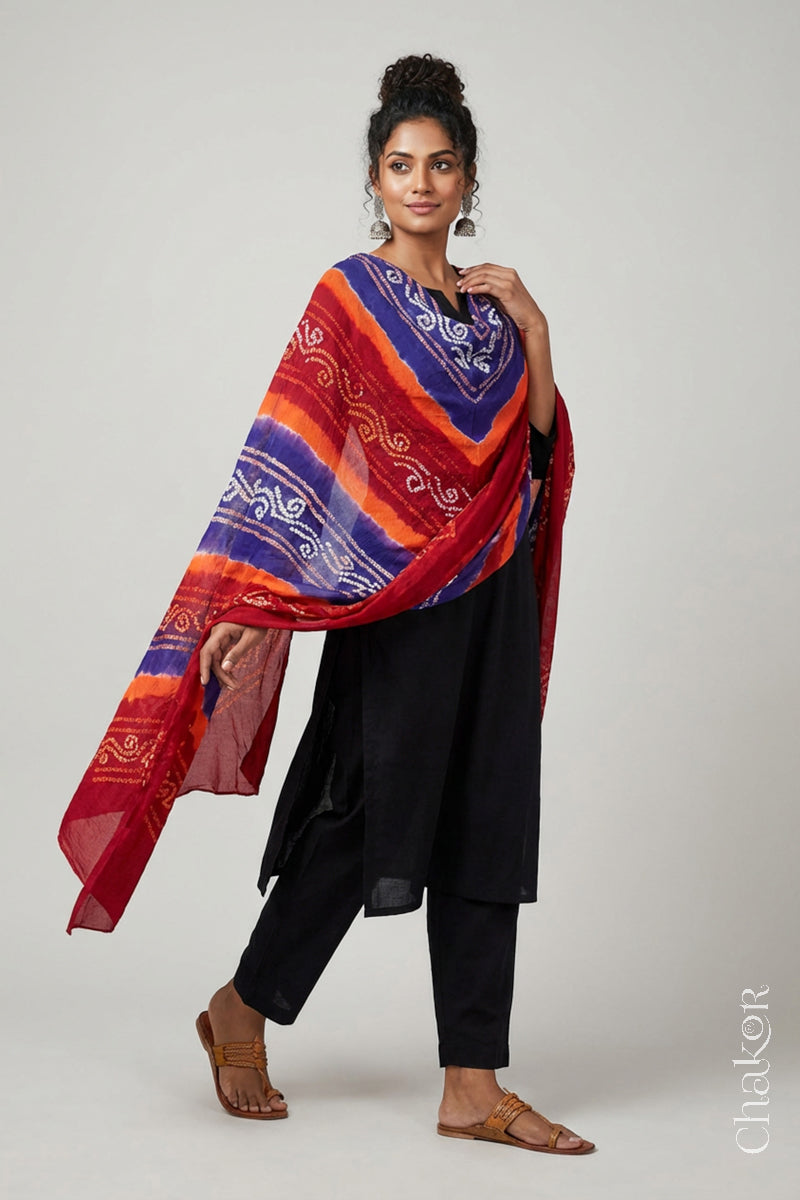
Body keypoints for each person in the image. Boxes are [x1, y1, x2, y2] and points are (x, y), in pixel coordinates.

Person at [59, 53, 593, 1155]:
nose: (421, 183)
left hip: (488, 590)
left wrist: (536, 336)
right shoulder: (348, 298)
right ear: (374, 176)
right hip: (387, 599)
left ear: (467, 176)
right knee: (368, 815)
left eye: (441, 165)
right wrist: (259, 605)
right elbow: (292, 460)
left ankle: (471, 1083)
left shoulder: (491, 317)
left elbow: (532, 458)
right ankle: (241, 1007)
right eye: (401, 164)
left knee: (486, 812)